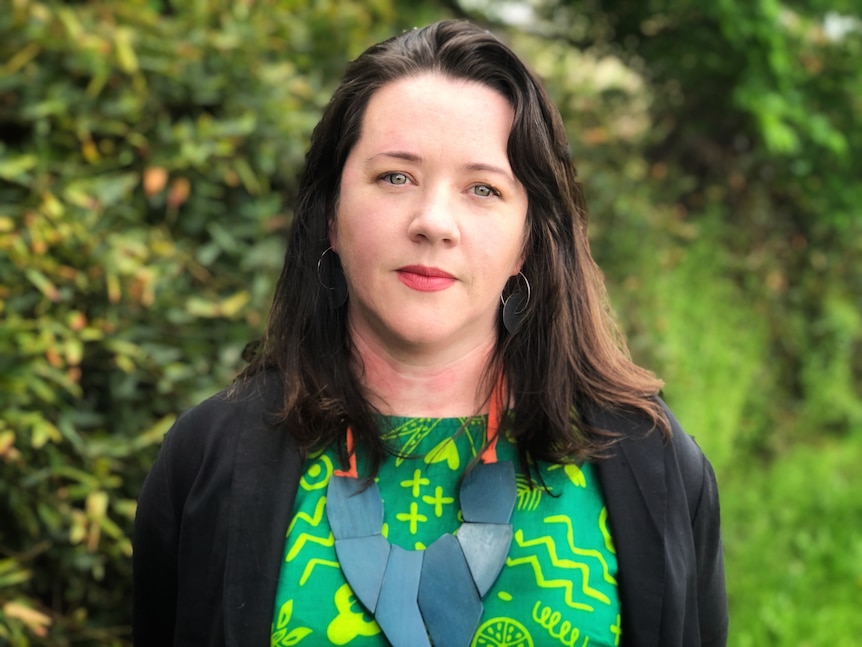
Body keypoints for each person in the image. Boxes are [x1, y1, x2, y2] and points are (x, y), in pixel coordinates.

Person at [132, 19, 727, 647]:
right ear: (330, 214)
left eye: (482, 188)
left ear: (530, 240)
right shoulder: (208, 458)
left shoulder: (647, 459)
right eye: (396, 177)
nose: (434, 222)